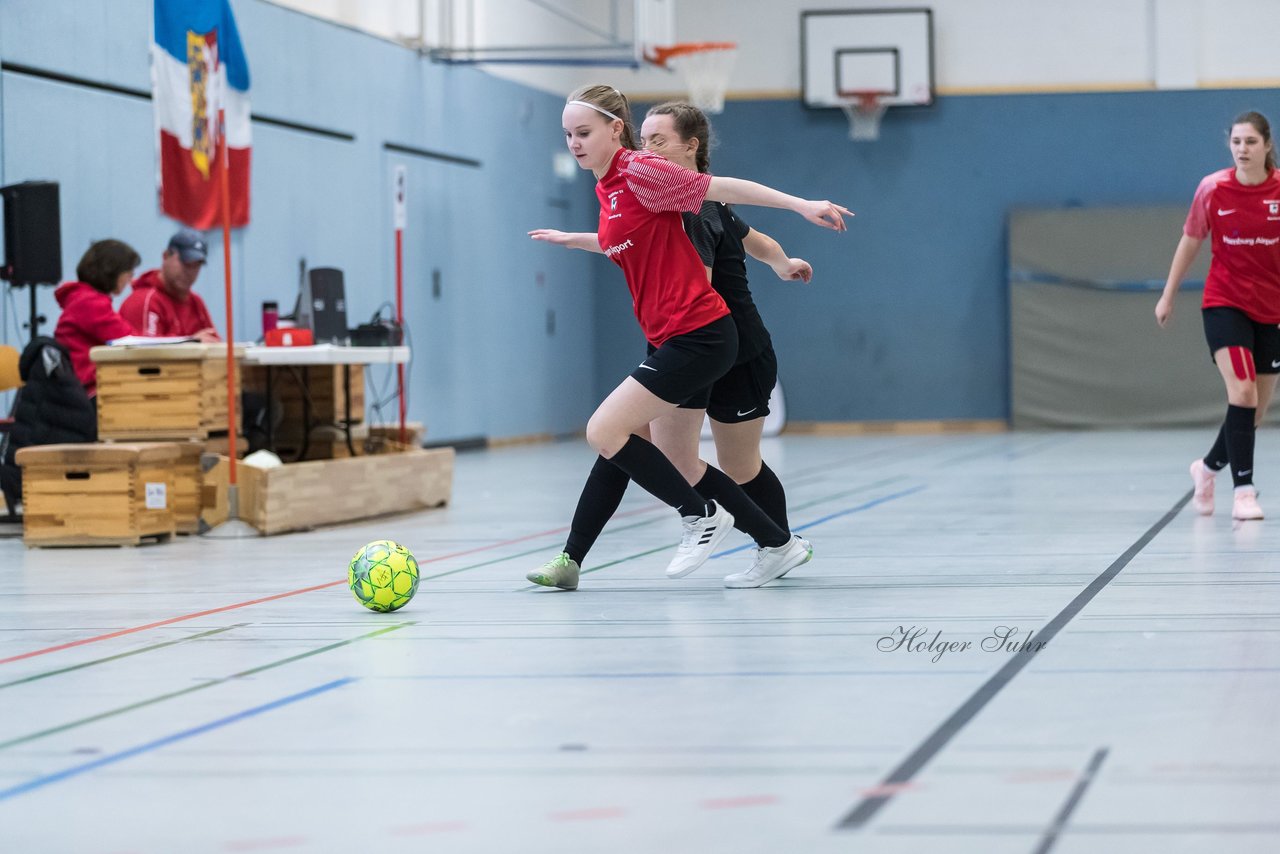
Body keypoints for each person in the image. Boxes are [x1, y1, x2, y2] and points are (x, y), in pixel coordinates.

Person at [525, 84, 850, 590]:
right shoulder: (609, 183)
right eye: (567, 134)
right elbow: (632, 242)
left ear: (616, 130)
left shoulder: (640, 172)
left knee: (608, 432)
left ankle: (702, 516)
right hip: (677, 335)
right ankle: (775, 543)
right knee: (643, 446)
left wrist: (799, 204)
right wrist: (575, 240)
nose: (573, 142)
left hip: (702, 334)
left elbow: (726, 189)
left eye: (583, 132)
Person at [1156, 110, 1280, 521]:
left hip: (1272, 308)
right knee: (1241, 393)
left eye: (1250, 142)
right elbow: (1190, 241)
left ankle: (1206, 469)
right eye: (1236, 142)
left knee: (1255, 411)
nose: (1242, 149)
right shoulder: (1213, 188)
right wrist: (1168, 295)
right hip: (1225, 302)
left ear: (1266, 146)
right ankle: (1243, 491)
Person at [53, 239, 142, 398]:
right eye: (129, 274)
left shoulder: (82, 298)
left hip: (81, 387)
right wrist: (187, 341)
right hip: (84, 392)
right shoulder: (90, 303)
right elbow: (129, 341)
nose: (130, 281)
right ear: (112, 272)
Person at [119, 228, 220, 342]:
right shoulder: (143, 301)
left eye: (196, 266)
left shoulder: (196, 302)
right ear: (166, 256)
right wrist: (191, 343)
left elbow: (215, 345)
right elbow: (144, 354)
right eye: (185, 263)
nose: (190, 272)